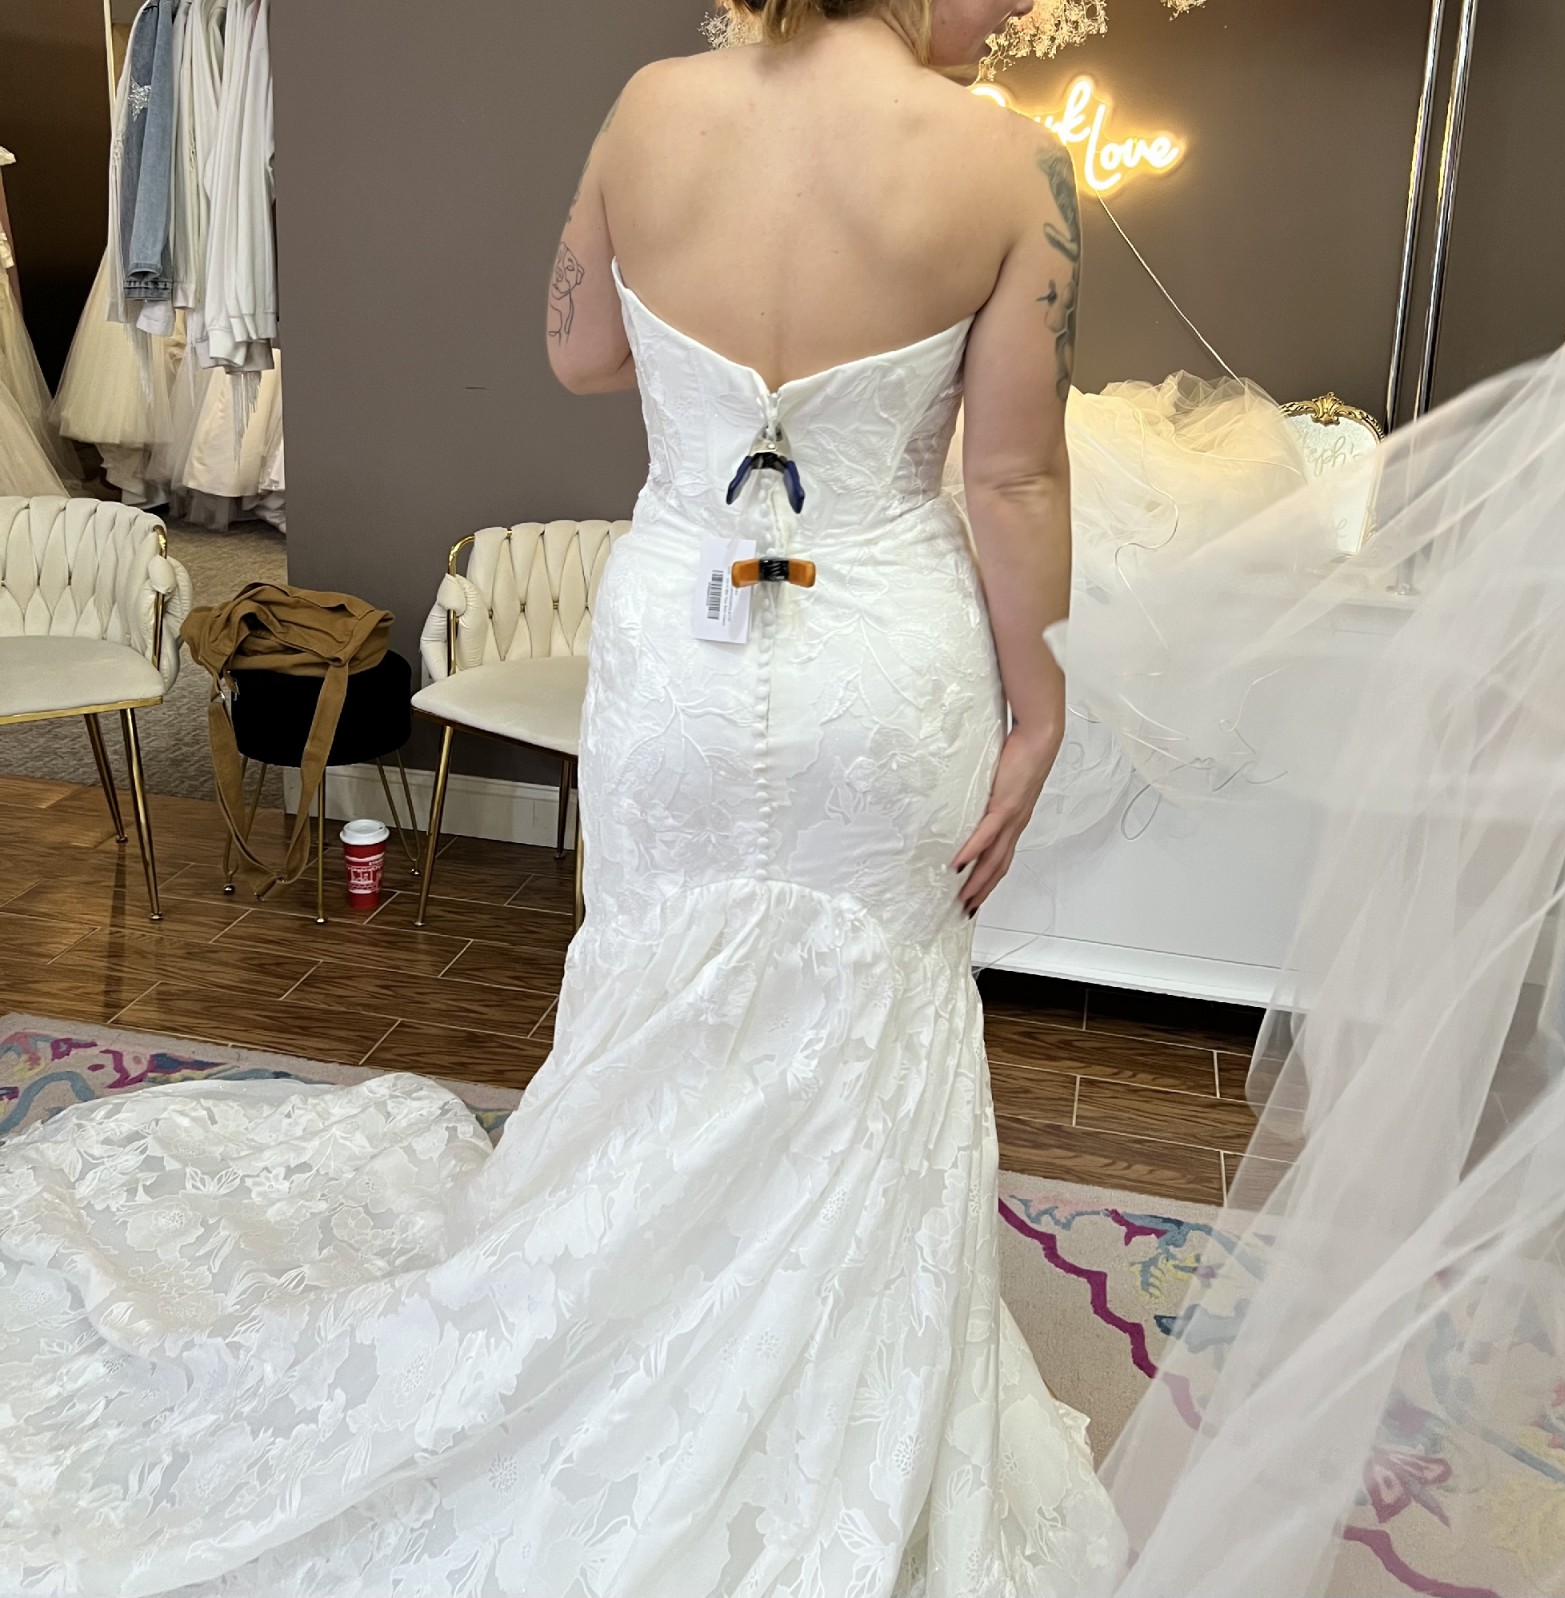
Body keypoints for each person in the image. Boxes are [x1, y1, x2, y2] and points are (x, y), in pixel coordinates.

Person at [0, 3, 1127, 1594]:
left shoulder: (652, 105)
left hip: (680, 638)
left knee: (658, 981)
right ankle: (808, 1391)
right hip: (884, 661)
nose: (1013, 6)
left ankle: (622, 1328)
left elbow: (581, 350)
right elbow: (1012, 477)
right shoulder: (1013, 165)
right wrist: (1042, 700)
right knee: (872, 1005)